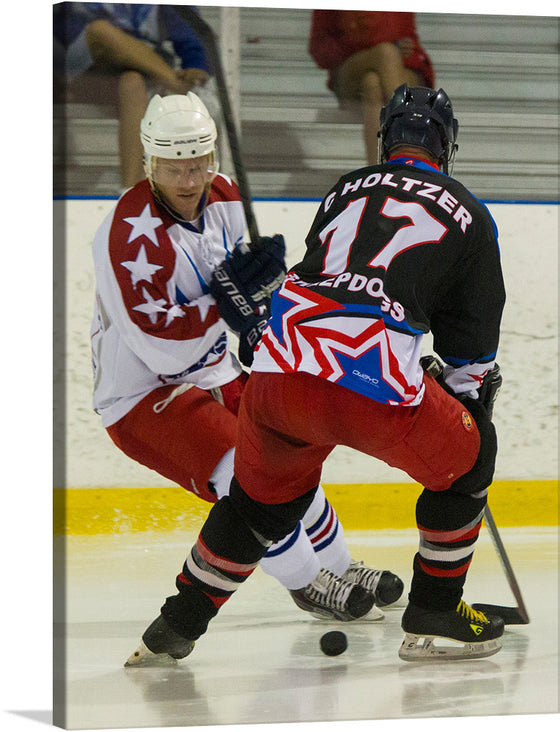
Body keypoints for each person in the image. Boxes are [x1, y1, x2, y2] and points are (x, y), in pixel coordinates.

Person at [125, 84, 508, 666]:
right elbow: (470, 349)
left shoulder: (343, 189)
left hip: (277, 378)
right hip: (371, 389)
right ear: (447, 148)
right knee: (470, 461)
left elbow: (328, 279)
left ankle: (171, 631)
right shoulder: (470, 213)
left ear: (385, 141)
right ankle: (436, 611)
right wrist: (467, 397)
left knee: (257, 505)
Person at [89, 90, 405, 662]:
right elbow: (161, 348)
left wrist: (264, 295)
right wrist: (226, 303)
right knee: (247, 475)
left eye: (197, 163)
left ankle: (339, 566)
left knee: (294, 451)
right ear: (147, 161)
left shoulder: (227, 195)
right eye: (171, 166)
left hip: (217, 369)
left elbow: (245, 288)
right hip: (143, 396)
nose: (187, 179)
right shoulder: (124, 235)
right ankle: (309, 584)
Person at [54, 3, 212, 190]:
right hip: (80, 68)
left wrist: (196, 65)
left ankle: (129, 192)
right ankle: (181, 87)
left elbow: (189, 27)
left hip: (137, 69)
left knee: (133, 83)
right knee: (101, 31)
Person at [309, 10, 435, 164]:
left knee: (372, 83)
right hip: (351, 70)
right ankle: (414, 158)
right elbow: (319, 48)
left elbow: (408, 36)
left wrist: (405, 47)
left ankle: (378, 175)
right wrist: (363, 44)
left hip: (398, 67)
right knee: (386, 52)